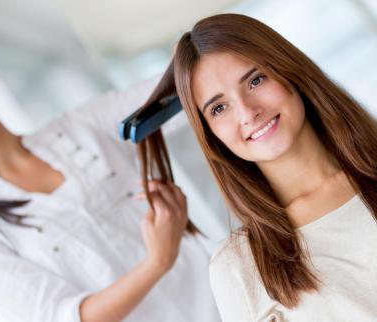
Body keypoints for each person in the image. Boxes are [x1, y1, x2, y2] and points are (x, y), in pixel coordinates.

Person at [0, 39, 220, 322]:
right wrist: (159, 260)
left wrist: (191, 55)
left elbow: (182, 92)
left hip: (230, 309)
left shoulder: (82, 126)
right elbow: (64, 317)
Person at [138, 13, 377, 321]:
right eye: (219, 107)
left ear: (290, 72)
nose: (247, 112)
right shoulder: (240, 266)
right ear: (211, 133)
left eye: (255, 80)